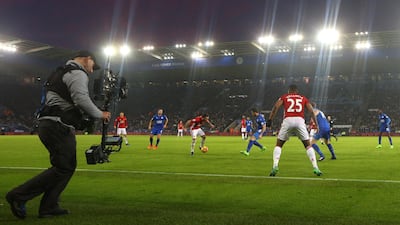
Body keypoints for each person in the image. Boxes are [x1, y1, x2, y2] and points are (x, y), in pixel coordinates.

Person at [6, 50, 111, 219]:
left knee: (65, 166)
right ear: (87, 59)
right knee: (64, 167)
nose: (92, 70)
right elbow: (81, 99)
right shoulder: (77, 73)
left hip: (49, 123)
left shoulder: (60, 72)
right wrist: (101, 114)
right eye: (93, 65)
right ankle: (18, 195)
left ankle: (49, 206)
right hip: (57, 125)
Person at [267, 84, 322, 176]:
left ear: (289, 91)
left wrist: (270, 120)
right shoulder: (303, 98)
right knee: (308, 145)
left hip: (288, 120)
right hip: (300, 121)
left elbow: (275, 107)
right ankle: (316, 167)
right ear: (297, 91)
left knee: (279, 145)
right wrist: (316, 125)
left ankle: (275, 166)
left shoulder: (284, 97)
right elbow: (311, 111)